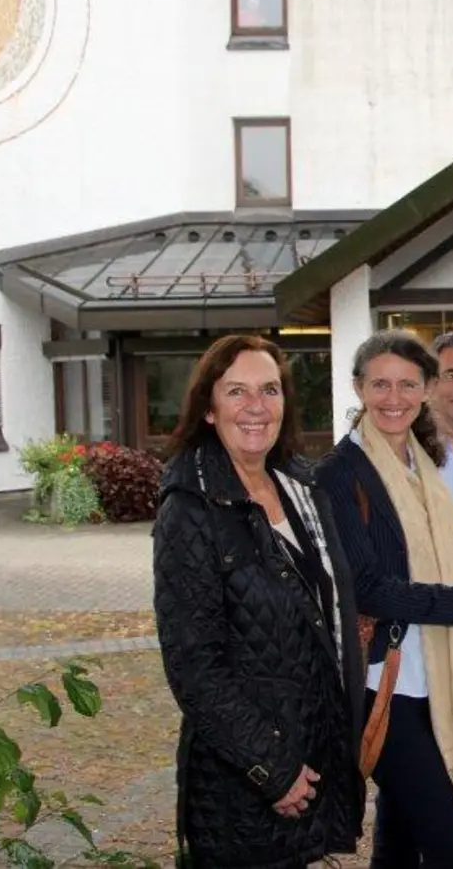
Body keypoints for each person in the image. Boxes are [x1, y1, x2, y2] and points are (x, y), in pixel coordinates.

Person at [152, 335, 364, 868]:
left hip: (310, 754)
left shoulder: (299, 485)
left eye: (269, 389)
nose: (256, 406)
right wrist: (272, 769)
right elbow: (194, 668)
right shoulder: (190, 508)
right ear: (208, 407)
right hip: (244, 782)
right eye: (236, 391)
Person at [314, 328, 453, 868]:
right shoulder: (339, 473)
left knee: (405, 834)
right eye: (380, 384)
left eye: (407, 384)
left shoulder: (423, 461)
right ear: (359, 387)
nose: (394, 397)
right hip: (389, 679)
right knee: (450, 845)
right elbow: (366, 588)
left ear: (423, 390)